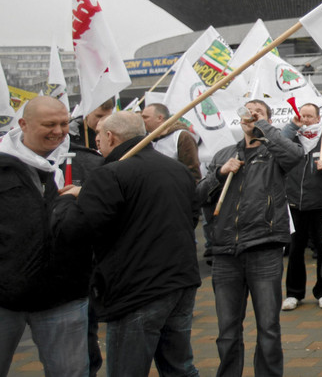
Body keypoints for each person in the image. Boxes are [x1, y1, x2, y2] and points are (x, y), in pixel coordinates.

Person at [54, 111, 201, 377]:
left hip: (136, 289)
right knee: (179, 367)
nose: (96, 140)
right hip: (181, 281)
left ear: (110, 136)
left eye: (98, 135)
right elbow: (190, 218)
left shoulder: (109, 174)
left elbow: (79, 230)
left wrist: (68, 201)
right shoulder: (176, 169)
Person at [196, 98, 302, 377]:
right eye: (248, 112)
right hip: (225, 252)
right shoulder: (224, 155)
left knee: (268, 327)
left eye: (260, 113)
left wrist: (263, 126)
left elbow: (294, 156)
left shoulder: (274, 153)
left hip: (264, 248)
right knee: (227, 331)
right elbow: (198, 196)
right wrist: (219, 174)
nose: (252, 116)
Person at [0, 96, 91, 377]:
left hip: (63, 298)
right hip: (4, 298)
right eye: (49, 124)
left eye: (64, 123)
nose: (59, 131)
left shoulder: (85, 161)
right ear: (24, 124)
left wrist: (85, 197)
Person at [280, 103, 322, 312]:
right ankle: (293, 293)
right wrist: (293, 127)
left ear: (319, 119)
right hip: (294, 204)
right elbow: (277, 145)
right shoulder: (292, 139)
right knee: (295, 250)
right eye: (302, 115)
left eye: (310, 116)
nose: (306, 119)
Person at [141, 103, 202, 182]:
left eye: (145, 117)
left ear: (159, 118)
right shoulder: (144, 139)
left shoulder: (181, 137)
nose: (142, 120)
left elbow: (192, 172)